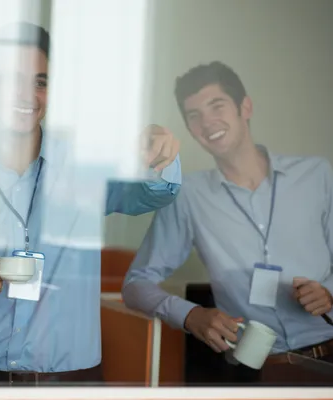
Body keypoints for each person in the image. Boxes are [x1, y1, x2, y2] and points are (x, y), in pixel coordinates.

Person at [0, 22, 182, 385]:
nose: (28, 95)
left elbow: (155, 194)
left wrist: (159, 154)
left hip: (73, 382)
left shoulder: (86, 166)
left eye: (40, 82)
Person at [122, 61, 333, 385]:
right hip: (254, 374)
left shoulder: (317, 175)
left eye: (216, 105)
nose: (207, 122)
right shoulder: (186, 196)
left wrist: (329, 293)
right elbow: (136, 284)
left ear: (244, 107)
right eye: (194, 115)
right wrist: (190, 315)